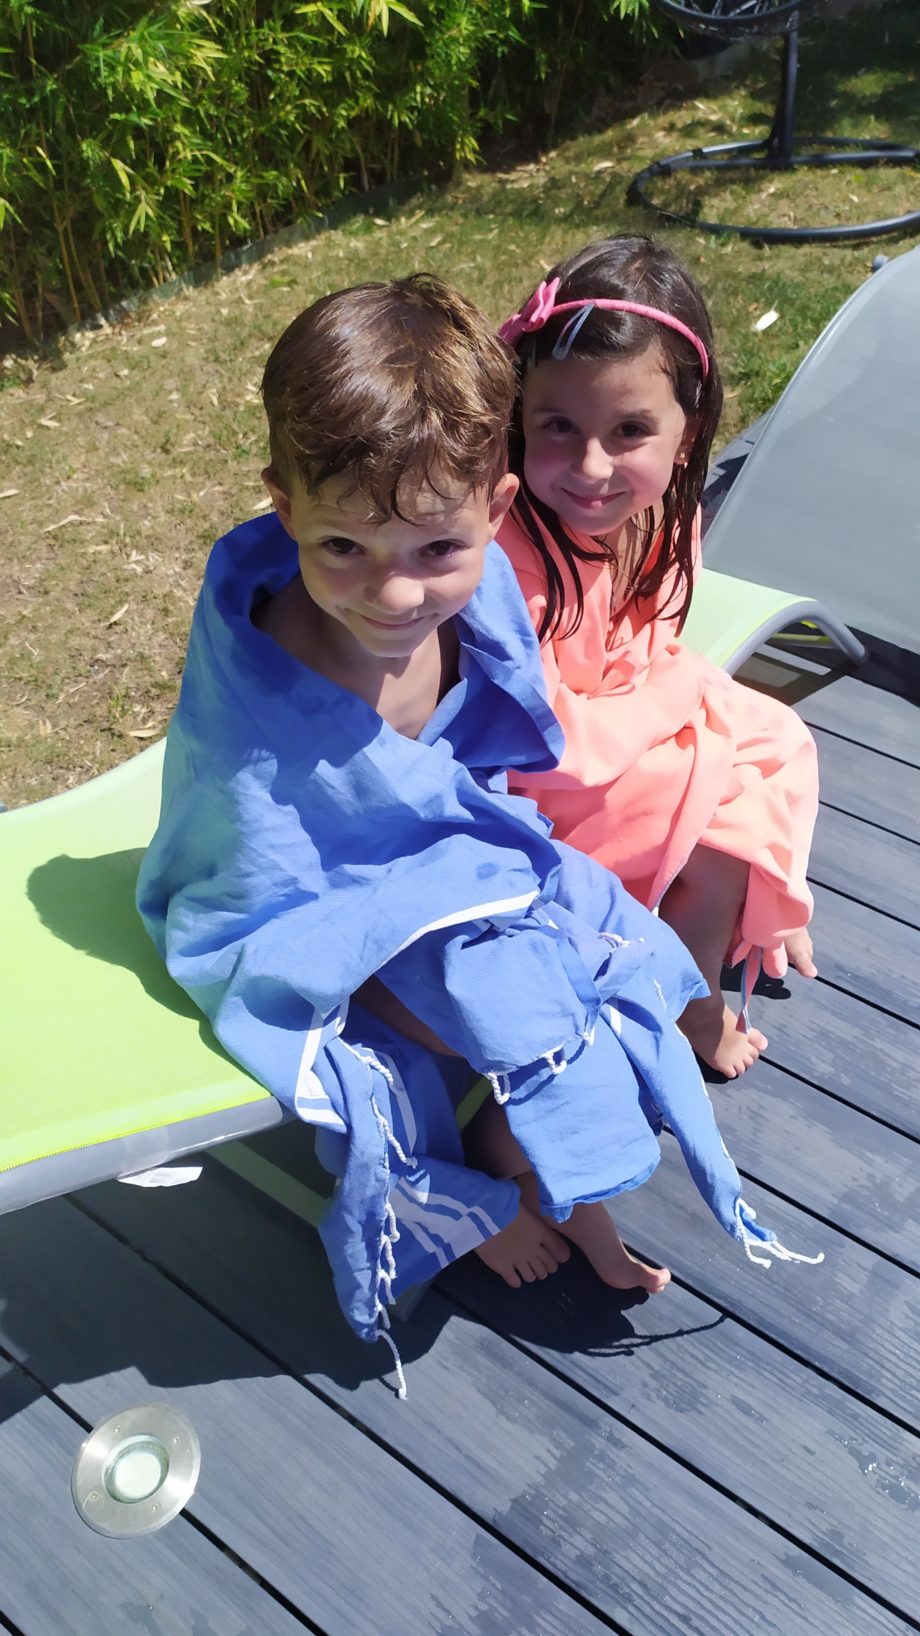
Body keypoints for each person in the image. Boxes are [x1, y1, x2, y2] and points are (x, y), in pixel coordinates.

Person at [137, 273, 817, 1387]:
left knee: (608, 962)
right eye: (342, 547)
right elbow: (254, 871)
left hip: (442, 861)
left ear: (494, 513)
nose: (394, 594)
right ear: (284, 508)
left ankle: (557, 1176)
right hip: (319, 914)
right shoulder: (276, 686)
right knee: (495, 1013)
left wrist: (486, 876)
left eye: (433, 553)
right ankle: (459, 1201)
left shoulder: (486, 588)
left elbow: (476, 756)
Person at [497, 236, 820, 1079]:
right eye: (558, 427)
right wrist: (672, 705)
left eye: (630, 430)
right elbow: (540, 738)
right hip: (539, 776)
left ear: (688, 434)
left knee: (779, 736)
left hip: (625, 715)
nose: (591, 467)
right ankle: (693, 998)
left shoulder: (663, 512)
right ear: (519, 416)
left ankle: (763, 903)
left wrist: (668, 697)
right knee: (714, 819)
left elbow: (656, 643)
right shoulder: (513, 557)